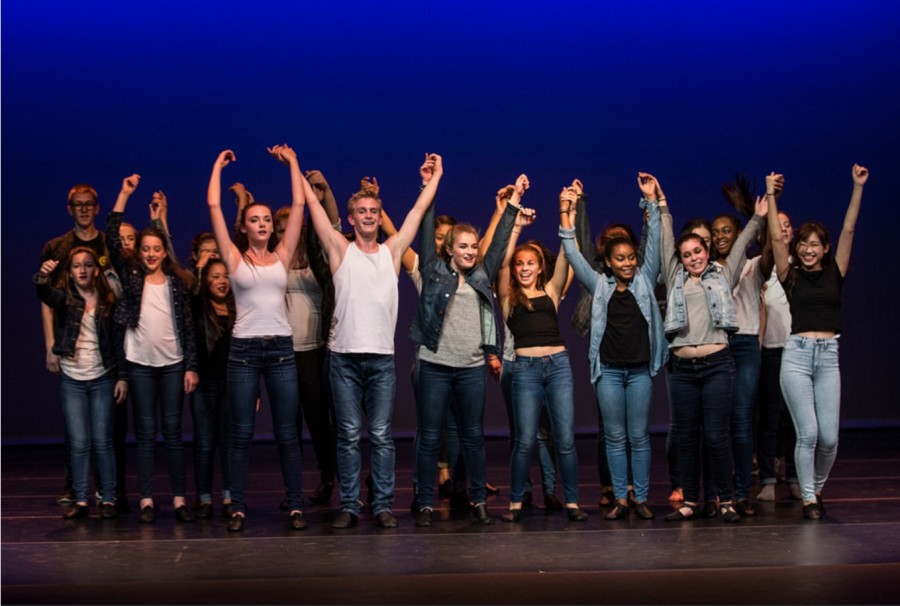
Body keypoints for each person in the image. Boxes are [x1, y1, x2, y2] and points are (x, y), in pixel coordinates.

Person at [305, 153, 443, 529]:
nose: (367, 215)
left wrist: (435, 177)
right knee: (348, 436)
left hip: (380, 360)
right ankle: (350, 506)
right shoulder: (340, 249)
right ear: (351, 218)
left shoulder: (391, 251)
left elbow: (418, 210)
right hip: (344, 360)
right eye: (361, 211)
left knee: (381, 436)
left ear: (379, 217)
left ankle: (382, 505)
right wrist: (294, 167)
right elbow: (315, 210)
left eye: (373, 210)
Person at [408, 174, 521, 528]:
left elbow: (500, 241)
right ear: (449, 249)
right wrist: (429, 185)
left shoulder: (482, 275)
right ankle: (425, 502)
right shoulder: (432, 269)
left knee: (473, 437)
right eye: (464, 246)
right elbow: (427, 225)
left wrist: (514, 199)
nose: (471, 251)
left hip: (471, 367)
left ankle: (477, 501)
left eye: (474, 246)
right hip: (435, 366)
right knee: (430, 437)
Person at [206, 145, 308, 532]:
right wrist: (217, 166)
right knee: (241, 434)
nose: (263, 224)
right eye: (256, 219)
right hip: (244, 352)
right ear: (245, 226)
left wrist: (293, 163)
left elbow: (298, 204)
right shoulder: (233, 258)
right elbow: (214, 207)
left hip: (281, 350)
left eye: (267, 219)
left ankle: (296, 505)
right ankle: (238, 507)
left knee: (286, 433)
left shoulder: (283, 254)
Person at [659, 174, 767, 523]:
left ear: (707, 252)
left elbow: (739, 248)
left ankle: (725, 500)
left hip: (718, 363)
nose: (693, 258)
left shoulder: (722, 273)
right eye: (686, 254)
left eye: (698, 251)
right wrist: (660, 204)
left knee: (718, 436)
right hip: (682, 370)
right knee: (688, 438)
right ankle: (691, 501)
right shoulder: (675, 278)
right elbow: (664, 242)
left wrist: (758, 218)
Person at [559, 173, 667, 520]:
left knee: (639, 436)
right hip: (607, 372)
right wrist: (565, 213)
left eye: (630, 257)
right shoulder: (599, 284)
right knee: (615, 438)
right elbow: (573, 252)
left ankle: (641, 498)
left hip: (638, 372)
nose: (627, 262)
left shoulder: (645, 280)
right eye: (619, 258)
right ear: (608, 262)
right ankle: (621, 498)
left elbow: (654, 244)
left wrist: (649, 199)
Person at [766, 165, 869, 519]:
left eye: (815, 245)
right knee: (807, 433)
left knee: (829, 439)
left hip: (827, 357)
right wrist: (771, 194)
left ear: (825, 249)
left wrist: (857, 187)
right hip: (796, 356)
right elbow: (777, 240)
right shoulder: (789, 275)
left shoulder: (834, 273)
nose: (808, 250)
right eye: (803, 244)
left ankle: (816, 488)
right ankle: (809, 498)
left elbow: (849, 228)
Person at [106, 174, 198, 524]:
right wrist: (124, 193)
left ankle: (177, 498)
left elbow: (187, 327)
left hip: (173, 364)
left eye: (156, 249)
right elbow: (113, 237)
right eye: (144, 249)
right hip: (140, 364)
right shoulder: (131, 276)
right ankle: (146, 498)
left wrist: (191, 365)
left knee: (172, 435)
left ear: (164, 251)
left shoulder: (177, 281)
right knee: (145, 435)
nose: (150, 254)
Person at [497, 177, 589, 523]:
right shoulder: (508, 298)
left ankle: (572, 502)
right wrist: (517, 228)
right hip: (525, 371)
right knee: (524, 440)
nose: (523, 269)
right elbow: (503, 264)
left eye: (530, 264)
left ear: (539, 267)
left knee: (564, 439)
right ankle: (516, 503)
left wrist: (568, 210)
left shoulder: (551, 292)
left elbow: (567, 249)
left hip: (558, 366)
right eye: (521, 264)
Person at [34, 248, 128, 519]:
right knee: (78, 442)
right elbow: (45, 294)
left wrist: (122, 377)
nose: (83, 270)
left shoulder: (107, 300)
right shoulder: (65, 298)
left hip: (102, 376)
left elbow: (118, 342)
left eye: (88, 265)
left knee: (102, 440)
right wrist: (43, 277)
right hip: (73, 377)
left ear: (96, 269)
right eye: (77, 266)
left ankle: (108, 498)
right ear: (70, 271)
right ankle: (81, 500)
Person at [272, 168, 340, 506]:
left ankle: (329, 478)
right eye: (281, 229)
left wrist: (325, 193)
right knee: (288, 423)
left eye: (292, 227)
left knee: (318, 420)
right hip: (283, 350)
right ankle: (293, 487)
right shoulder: (275, 261)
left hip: (314, 349)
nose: (288, 233)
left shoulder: (316, 257)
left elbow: (334, 229)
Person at [189, 255, 235, 519]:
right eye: (215, 276)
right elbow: (193, 294)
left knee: (229, 443)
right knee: (205, 442)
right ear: (206, 281)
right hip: (204, 382)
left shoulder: (238, 309)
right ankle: (204, 497)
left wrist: (255, 391)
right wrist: (198, 268)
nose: (221, 281)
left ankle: (230, 495)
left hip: (231, 383)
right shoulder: (199, 307)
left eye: (225, 276)